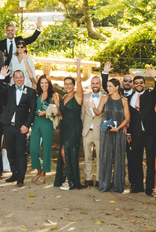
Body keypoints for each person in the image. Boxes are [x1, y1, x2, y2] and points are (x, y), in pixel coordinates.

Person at [126, 66, 156, 195]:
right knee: (136, 160)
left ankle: (149, 188)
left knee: (150, 161)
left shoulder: (150, 95)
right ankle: (138, 186)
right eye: (136, 82)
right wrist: (129, 132)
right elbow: (129, 117)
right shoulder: (129, 97)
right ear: (133, 85)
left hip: (150, 133)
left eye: (141, 82)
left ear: (144, 84)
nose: (138, 84)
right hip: (135, 134)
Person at [1, 69, 37, 186]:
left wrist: (27, 125)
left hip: (21, 127)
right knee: (10, 151)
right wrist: (2, 77)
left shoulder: (30, 92)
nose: (19, 79)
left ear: (24, 78)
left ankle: (21, 177)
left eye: (21, 77)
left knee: (21, 152)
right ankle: (14, 173)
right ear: (13, 79)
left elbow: (32, 111)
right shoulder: (8, 89)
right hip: (8, 126)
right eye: (16, 77)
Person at [54, 62, 85, 191]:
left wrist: (78, 66)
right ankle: (69, 177)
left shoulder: (78, 95)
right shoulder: (65, 97)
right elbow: (61, 112)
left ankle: (69, 179)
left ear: (73, 85)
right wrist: (54, 107)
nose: (67, 86)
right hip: (65, 127)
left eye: (70, 84)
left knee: (66, 152)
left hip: (74, 127)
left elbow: (79, 82)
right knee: (65, 152)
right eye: (65, 84)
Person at [98, 77, 130, 193]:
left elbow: (127, 118)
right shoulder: (104, 98)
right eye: (107, 86)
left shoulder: (124, 101)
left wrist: (118, 128)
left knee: (119, 158)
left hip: (119, 133)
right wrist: (92, 106)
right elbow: (98, 112)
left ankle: (117, 185)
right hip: (106, 133)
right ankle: (104, 185)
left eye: (110, 86)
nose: (108, 88)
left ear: (117, 87)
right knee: (105, 157)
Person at [80, 74, 107, 188]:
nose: (95, 85)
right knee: (87, 156)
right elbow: (82, 114)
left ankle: (99, 179)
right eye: (93, 83)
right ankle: (88, 178)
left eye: (97, 83)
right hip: (87, 130)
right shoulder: (85, 96)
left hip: (99, 130)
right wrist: (83, 128)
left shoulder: (105, 97)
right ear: (90, 85)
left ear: (100, 84)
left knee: (100, 157)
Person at [30, 74, 57, 184]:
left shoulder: (53, 95)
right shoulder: (37, 94)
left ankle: (43, 174)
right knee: (33, 148)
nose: (44, 85)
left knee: (46, 149)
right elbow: (31, 76)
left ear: (49, 84)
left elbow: (59, 111)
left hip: (47, 123)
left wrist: (47, 112)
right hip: (36, 122)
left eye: (46, 82)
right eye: (42, 83)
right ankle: (38, 171)